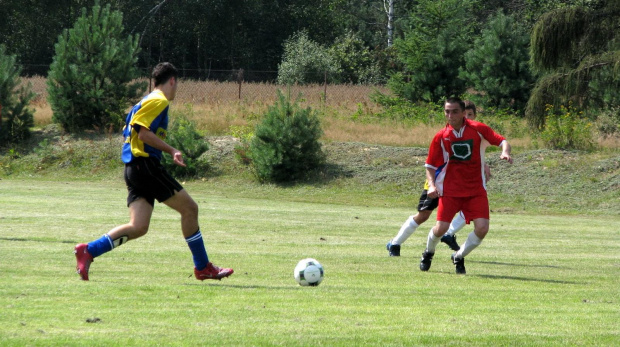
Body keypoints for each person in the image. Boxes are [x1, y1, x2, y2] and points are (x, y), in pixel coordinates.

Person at [74, 62, 234, 281]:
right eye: (177, 84)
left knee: (138, 227)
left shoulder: (144, 101)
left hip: (133, 168)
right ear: (172, 81)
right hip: (145, 166)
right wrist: (171, 150)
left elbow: (129, 132)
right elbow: (142, 132)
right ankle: (203, 267)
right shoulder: (159, 100)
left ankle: (89, 251)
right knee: (190, 209)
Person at [419, 97, 512, 274]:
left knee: (482, 229)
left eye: (454, 111)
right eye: (447, 111)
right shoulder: (441, 136)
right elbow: (430, 165)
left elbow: (501, 141)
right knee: (441, 229)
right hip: (451, 191)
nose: (450, 115)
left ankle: (459, 256)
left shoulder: (477, 129)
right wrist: (432, 186)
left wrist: (505, 152)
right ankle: (428, 252)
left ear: (463, 113)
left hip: (475, 190)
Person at [386, 101, 484, 256]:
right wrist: (432, 184)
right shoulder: (446, 134)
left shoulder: (476, 132)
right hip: (440, 181)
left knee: (470, 210)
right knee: (424, 215)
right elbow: (433, 161)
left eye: (470, 115)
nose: (467, 117)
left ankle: (448, 233)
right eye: (465, 114)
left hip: (460, 185)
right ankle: (395, 243)